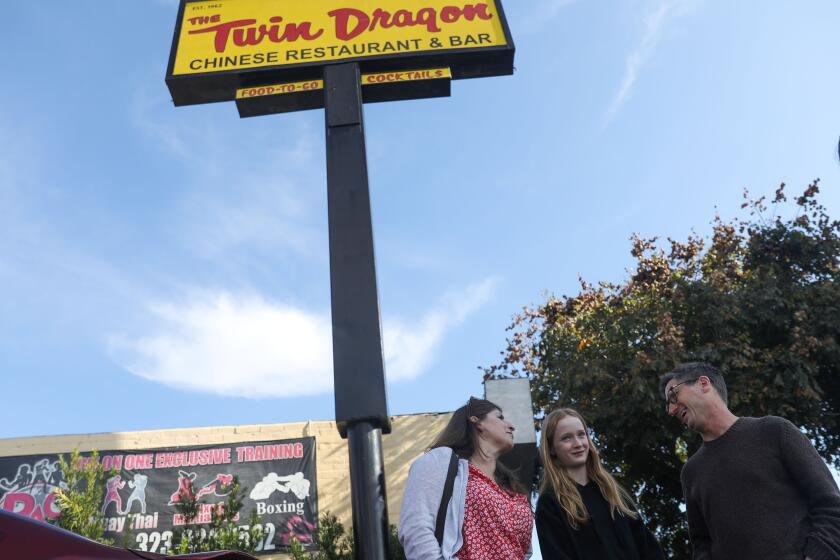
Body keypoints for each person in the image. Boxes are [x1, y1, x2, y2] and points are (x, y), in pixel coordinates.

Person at [661, 361, 840, 559]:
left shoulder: (775, 431)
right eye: (668, 405)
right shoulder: (691, 473)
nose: (671, 410)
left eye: (673, 396)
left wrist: (817, 556)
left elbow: (830, 504)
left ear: (704, 383)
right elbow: (702, 546)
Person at [399, 397, 532, 560]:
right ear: (476, 421)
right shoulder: (441, 461)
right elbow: (416, 527)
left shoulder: (510, 489)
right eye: (499, 417)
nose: (511, 426)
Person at [535, 408, 664, 560]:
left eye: (581, 435)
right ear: (551, 449)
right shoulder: (550, 504)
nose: (578, 444)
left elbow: (648, 548)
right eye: (566, 438)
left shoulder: (613, 493)